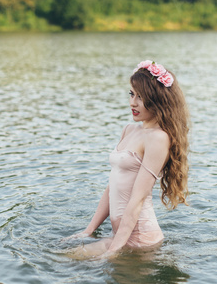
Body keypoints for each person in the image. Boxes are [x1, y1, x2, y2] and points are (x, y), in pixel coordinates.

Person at [65, 60, 190, 259]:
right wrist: (88, 230)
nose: (133, 103)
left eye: (141, 97)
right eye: (132, 94)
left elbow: (138, 198)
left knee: (64, 261)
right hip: (120, 236)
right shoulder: (129, 129)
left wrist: (114, 249)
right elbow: (112, 186)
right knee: (65, 258)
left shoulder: (158, 138)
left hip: (140, 240)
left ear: (158, 100)